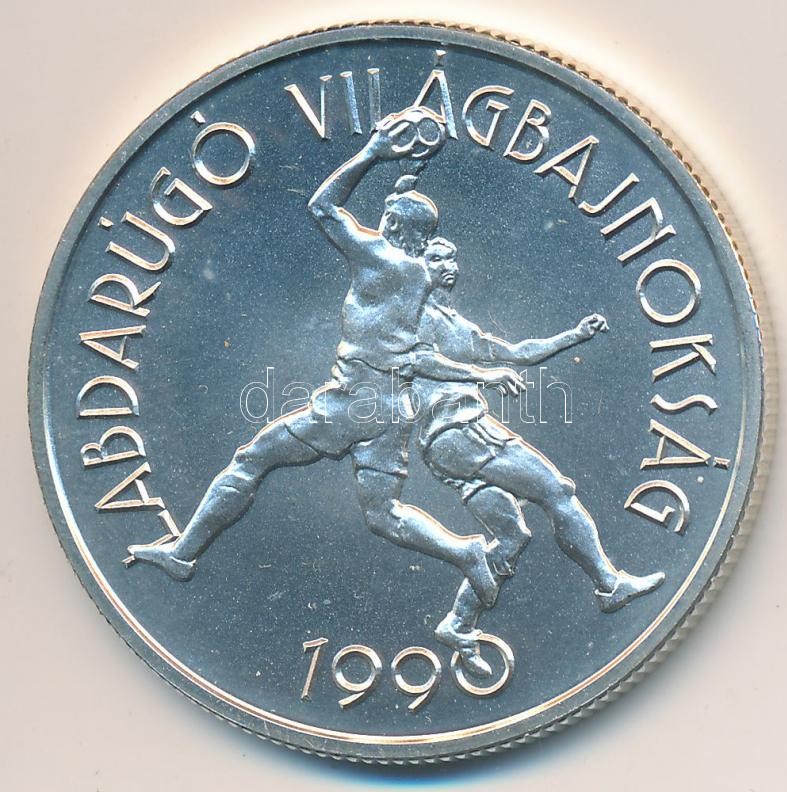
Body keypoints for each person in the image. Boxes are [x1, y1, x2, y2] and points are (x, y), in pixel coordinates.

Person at [128, 107, 523, 608]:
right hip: (393, 406)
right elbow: (415, 346)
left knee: (252, 458)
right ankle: (465, 551)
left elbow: (323, 206)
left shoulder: (381, 258)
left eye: (386, 219)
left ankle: (184, 553)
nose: (377, 223)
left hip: (354, 401)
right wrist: (404, 182)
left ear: (392, 225)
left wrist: (373, 152)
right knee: (383, 515)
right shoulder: (419, 274)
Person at [415, 237, 665, 676]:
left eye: (452, 258)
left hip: (446, 448)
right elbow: (416, 362)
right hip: (461, 430)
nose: (448, 265)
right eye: (436, 259)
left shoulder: (455, 324)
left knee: (511, 536)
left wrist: (575, 335)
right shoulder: (414, 316)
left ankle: (458, 622)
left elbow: (516, 353)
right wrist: (483, 376)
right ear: (415, 266)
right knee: (556, 490)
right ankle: (609, 584)